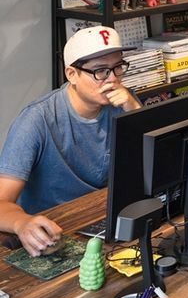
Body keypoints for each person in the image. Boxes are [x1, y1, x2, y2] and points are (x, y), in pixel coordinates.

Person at [0, 26, 141, 257]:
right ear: (71, 74)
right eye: (100, 71)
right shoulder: (36, 119)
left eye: (118, 67)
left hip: (101, 220)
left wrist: (134, 111)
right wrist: (21, 223)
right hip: (51, 233)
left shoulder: (124, 103)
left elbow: (156, 167)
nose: (113, 79)